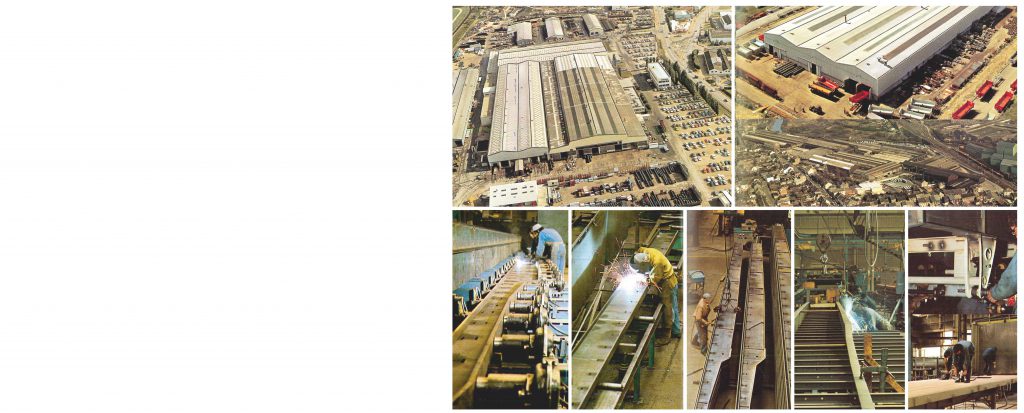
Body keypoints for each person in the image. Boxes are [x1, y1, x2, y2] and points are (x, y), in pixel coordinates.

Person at [634, 247, 681, 338]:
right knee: (671, 305)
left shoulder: (657, 263)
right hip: (665, 279)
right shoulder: (645, 251)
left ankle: (671, 331)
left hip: (668, 283)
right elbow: (639, 250)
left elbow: (655, 279)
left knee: (669, 306)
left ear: (645, 262)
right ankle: (674, 328)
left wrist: (644, 281)